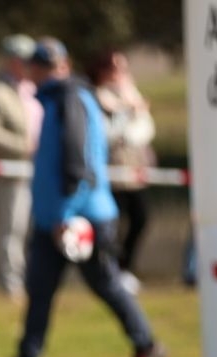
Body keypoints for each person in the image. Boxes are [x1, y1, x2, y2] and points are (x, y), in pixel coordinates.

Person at [0, 38, 165, 357]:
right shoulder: (55, 100)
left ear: (59, 68)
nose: (42, 73)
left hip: (80, 218)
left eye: (49, 66)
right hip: (57, 218)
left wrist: (65, 217)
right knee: (40, 290)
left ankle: (148, 346)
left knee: (106, 284)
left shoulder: (69, 100)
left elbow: (77, 165)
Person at [0, 34, 43, 298]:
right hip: (13, 171)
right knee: (13, 228)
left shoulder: (35, 88)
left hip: (40, 169)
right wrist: (23, 146)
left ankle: (35, 276)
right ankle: (12, 281)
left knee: (36, 227)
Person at [89, 49, 156, 295]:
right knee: (112, 224)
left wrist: (131, 119)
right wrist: (127, 116)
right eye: (117, 69)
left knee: (140, 218)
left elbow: (145, 128)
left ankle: (125, 267)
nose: (121, 75)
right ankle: (111, 270)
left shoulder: (130, 94)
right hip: (111, 172)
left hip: (134, 170)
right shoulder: (97, 98)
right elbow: (105, 134)